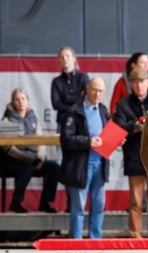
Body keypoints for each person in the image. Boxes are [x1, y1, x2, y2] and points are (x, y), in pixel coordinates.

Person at [113, 68, 148, 238]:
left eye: (142, 81)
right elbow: (117, 127)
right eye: (135, 82)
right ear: (131, 84)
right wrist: (134, 126)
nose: (139, 85)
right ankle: (135, 235)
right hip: (134, 157)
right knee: (135, 201)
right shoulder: (123, 104)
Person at [59, 77, 110, 239]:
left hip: (100, 166)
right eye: (94, 90)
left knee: (99, 206)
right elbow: (66, 139)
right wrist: (88, 142)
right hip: (80, 167)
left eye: (100, 91)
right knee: (78, 207)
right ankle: (76, 241)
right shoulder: (74, 111)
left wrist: (116, 140)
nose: (97, 94)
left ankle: (96, 239)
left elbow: (108, 134)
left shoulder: (103, 110)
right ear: (87, 89)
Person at [0, 88, 60, 214]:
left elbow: (41, 141)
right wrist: (30, 159)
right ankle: (16, 203)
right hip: (15, 160)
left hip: (33, 160)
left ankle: (45, 203)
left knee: (53, 167)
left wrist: (40, 158)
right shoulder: (7, 120)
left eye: (23, 99)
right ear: (13, 102)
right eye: (17, 99)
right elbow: (8, 147)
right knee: (27, 166)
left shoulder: (33, 118)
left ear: (27, 101)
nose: (20, 102)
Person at [51, 46, 90, 132]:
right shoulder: (56, 81)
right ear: (59, 60)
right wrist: (77, 98)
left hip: (81, 120)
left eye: (67, 56)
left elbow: (87, 98)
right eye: (62, 57)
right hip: (63, 122)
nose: (65, 59)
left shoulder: (83, 77)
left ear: (74, 58)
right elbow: (56, 104)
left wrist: (66, 98)